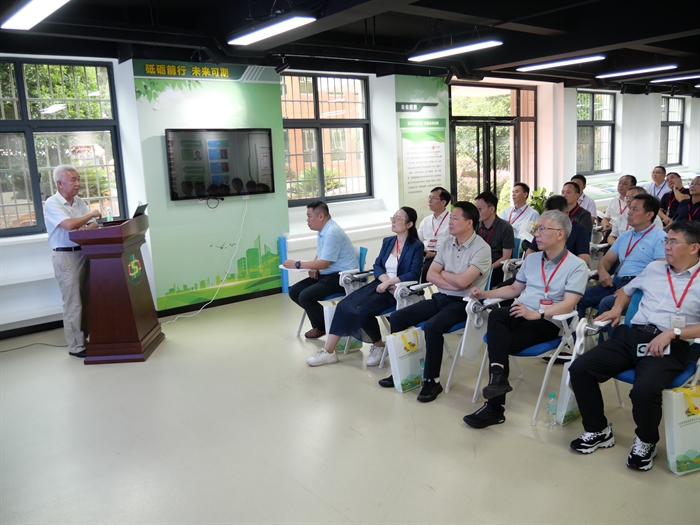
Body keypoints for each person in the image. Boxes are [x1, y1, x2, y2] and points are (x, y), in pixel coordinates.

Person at [568, 220, 700, 471]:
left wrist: (674, 333)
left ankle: (646, 441)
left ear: (694, 248)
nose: (667, 246)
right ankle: (598, 430)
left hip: (671, 344)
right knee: (580, 368)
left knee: (644, 389)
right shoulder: (654, 268)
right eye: (666, 240)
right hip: (632, 335)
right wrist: (617, 309)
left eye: (673, 242)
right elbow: (626, 291)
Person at [463, 210, 589, 428]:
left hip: (547, 320)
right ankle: (497, 377)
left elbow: (569, 304)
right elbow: (514, 289)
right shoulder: (531, 259)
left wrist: (537, 314)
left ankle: (495, 407)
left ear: (560, 234)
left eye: (542, 229)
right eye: (536, 229)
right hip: (520, 311)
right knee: (498, 315)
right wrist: (485, 294)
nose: (536, 234)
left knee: (498, 342)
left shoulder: (577, 265)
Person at [378, 201, 492, 402]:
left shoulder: (482, 248)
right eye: (450, 218)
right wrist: (454, 281)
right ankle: (403, 371)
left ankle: (432, 380)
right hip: (441, 297)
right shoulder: (447, 243)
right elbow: (430, 274)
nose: (450, 221)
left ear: (469, 223)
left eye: (455, 218)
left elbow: (464, 283)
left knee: (432, 326)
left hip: (464, 304)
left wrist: (446, 275)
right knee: (397, 317)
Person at [305, 208, 423, 367]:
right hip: (381, 284)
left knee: (363, 310)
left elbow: (414, 274)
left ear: (409, 224)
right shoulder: (388, 241)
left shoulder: (416, 246)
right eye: (393, 218)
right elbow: (377, 265)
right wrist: (385, 281)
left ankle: (378, 345)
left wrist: (390, 283)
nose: (393, 221)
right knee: (344, 305)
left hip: (399, 290)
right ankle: (328, 351)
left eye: (398, 218)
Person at [576, 194, 666, 321]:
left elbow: (659, 272)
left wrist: (631, 287)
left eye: (634, 209)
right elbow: (606, 260)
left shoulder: (661, 238)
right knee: (578, 297)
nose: (629, 213)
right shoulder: (625, 235)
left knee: (607, 303)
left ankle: (608, 334)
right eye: (630, 208)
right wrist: (603, 272)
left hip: (639, 287)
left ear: (649, 215)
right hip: (617, 282)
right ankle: (575, 333)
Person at [44, 165, 102, 358]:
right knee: (73, 302)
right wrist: (90, 215)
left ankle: (85, 339)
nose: (78, 184)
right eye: (73, 180)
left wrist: (86, 226)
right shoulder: (52, 203)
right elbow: (69, 225)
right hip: (65, 256)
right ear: (60, 183)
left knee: (86, 299)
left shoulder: (78, 202)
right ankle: (76, 346)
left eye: (78, 179)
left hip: (83, 252)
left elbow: (94, 224)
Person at [283, 201, 357, 339]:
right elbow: (321, 255)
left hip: (341, 278)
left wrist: (297, 264)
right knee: (294, 291)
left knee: (305, 296)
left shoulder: (332, 232)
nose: (307, 220)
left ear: (321, 216)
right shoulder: (323, 231)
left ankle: (322, 326)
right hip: (327, 274)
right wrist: (313, 267)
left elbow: (323, 263)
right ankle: (327, 322)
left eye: (309, 216)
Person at [525, 195, 590, 265]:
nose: (551, 219)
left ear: (566, 213)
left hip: (567, 268)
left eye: (555, 216)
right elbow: (530, 251)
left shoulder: (580, 230)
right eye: (548, 215)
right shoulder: (543, 228)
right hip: (542, 266)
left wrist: (561, 268)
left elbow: (584, 258)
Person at [475, 191, 514, 287]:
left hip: (495, 268)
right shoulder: (475, 225)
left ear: (492, 209)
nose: (476, 213)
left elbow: (506, 257)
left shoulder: (506, 227)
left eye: (480, 209)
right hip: (477, 265)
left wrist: (488, 268)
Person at [417, 187, 451, 282]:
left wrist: (434, 254)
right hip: (425, 253)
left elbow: (453, 244)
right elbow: (418, 239)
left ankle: (415, 289)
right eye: (429, 197)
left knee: (422, 272)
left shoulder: (451, 220)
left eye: (433, 198)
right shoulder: (426, 220)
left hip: (441, 255)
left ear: (443, 202)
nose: (429, 201)